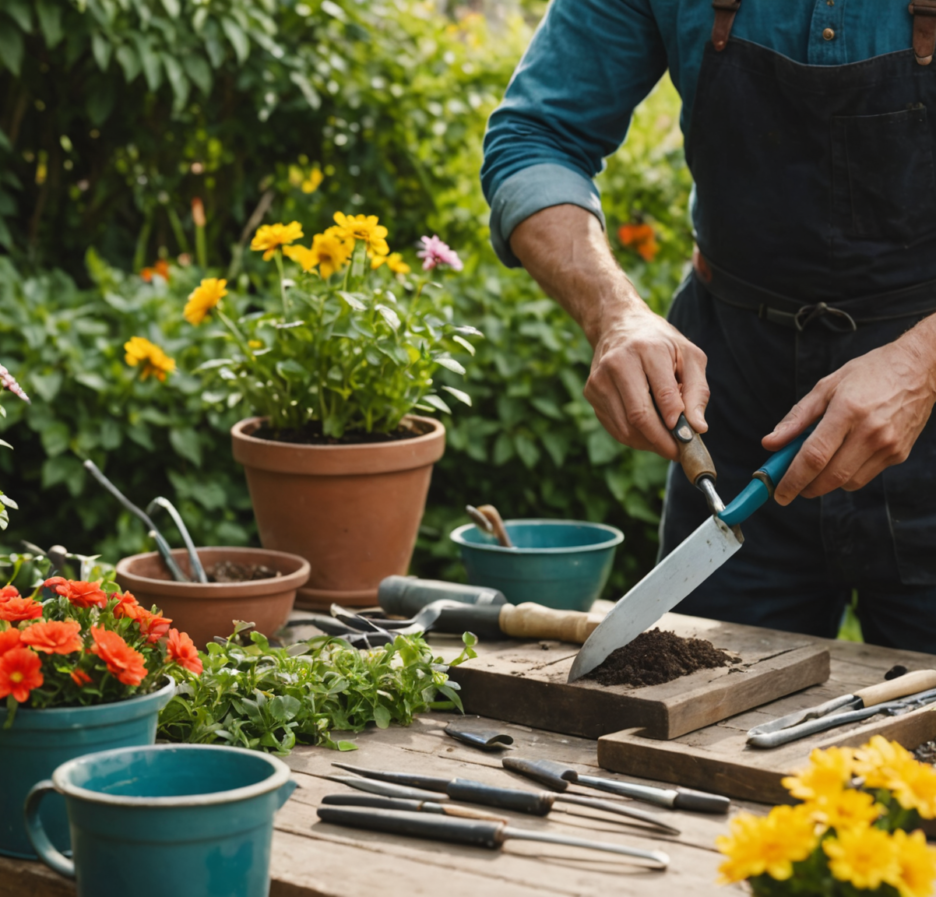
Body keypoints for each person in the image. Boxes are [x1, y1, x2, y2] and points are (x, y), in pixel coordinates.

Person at [481, 0, 936, 652]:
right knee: (700, 714)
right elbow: (537, 137)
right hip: (739, 410)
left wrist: (922, 364)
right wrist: (614, 313)